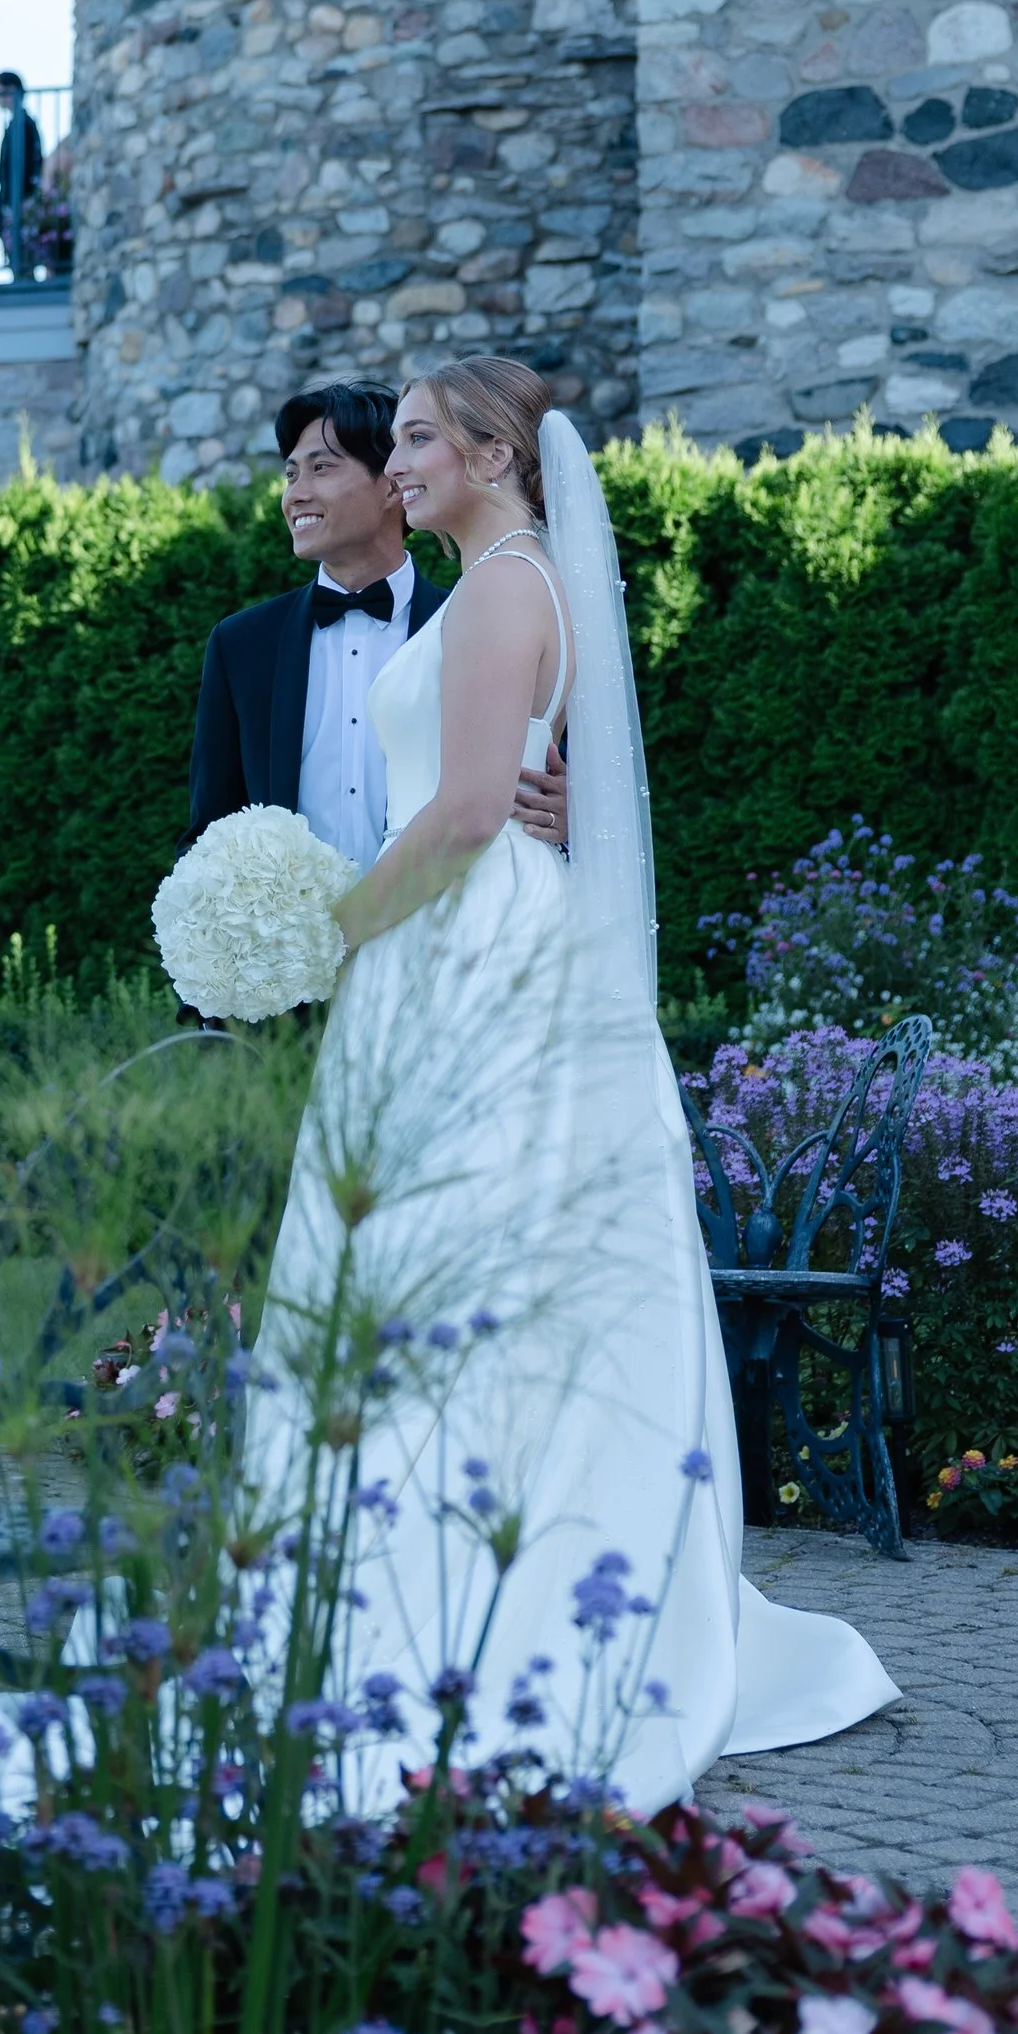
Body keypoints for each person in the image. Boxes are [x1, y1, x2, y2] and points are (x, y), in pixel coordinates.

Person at [248, 357, 898, 1814]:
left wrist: (325, 930)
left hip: (462, 956)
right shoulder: (526, 582)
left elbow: (473, 809)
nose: (395, 462)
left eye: (416, 440)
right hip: (484, 944)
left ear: (491, 451)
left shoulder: (498, 589)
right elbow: (532, 788)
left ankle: (448, 1589)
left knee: (441, 1260)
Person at [192, 382, 567, 866]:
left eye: (321, 468)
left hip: (448, 918)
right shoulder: (242, 644)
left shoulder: (478, 614)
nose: (295, 495)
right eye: (290, 475)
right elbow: (211, 829)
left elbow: (551, 768)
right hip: (300, 938)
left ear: (392, 484)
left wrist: (570, 812)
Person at [0, 71, 45, 279]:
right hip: (16, 202)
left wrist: (20, 202)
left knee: (22, 261)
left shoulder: (23, 125)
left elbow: (28, 166)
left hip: (18, 203)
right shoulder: (20, 124)